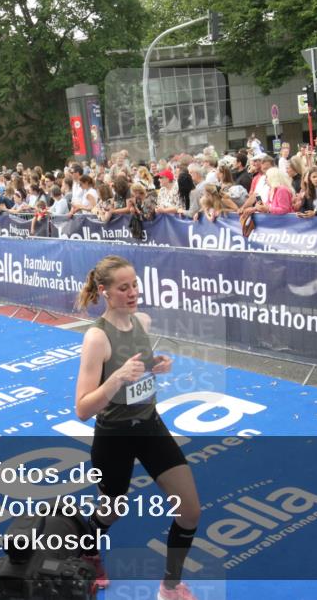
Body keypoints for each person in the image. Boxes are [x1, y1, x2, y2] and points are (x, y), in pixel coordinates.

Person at [74, 256, 200, 600]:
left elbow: (137, 364)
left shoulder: (142, 320)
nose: (132, 293)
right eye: (123, 287)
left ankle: (170, 587)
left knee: (189, 511)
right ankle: (88, 551)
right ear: (105, 292)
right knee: (113, 510)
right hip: (115, 436)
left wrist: (154, 365)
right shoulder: (97, 337)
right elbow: (83, 408)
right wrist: (115, 378)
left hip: (150, 425)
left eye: (135, 285)